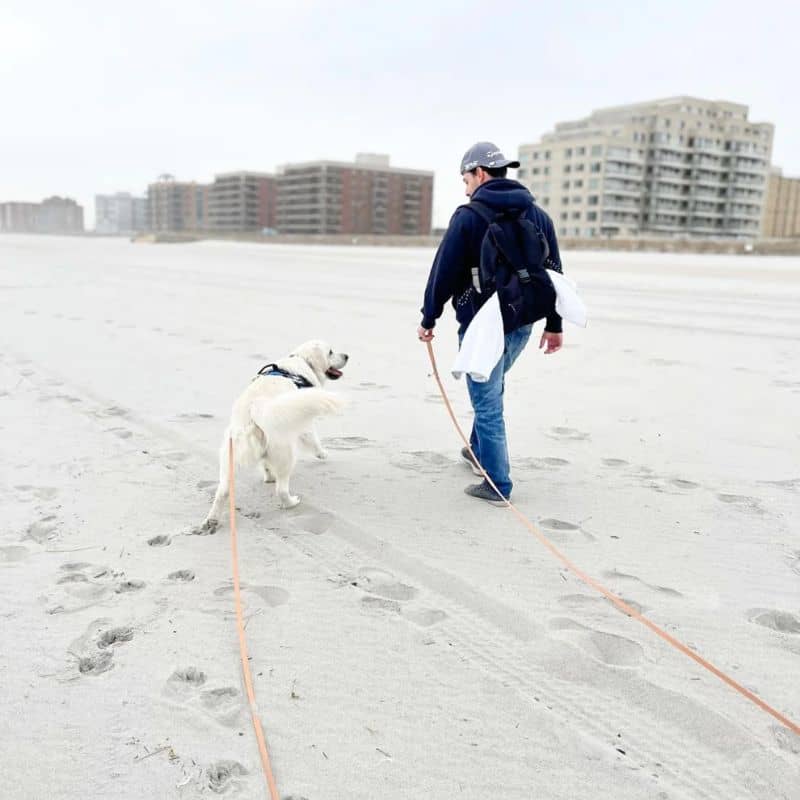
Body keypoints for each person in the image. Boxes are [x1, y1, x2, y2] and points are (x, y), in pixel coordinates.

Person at [417, 141, 564, 505]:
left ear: (479, 174)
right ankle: (477, 452)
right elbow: (554, 272)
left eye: (465, 177)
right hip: (523, 321)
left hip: (482, 325)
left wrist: (428, 317)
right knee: (492, 387)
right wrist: (554, 323)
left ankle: (497, 483)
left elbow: (444, 271)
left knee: (487, 402)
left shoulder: (468, 216)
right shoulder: (537, 214)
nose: (465, 185)